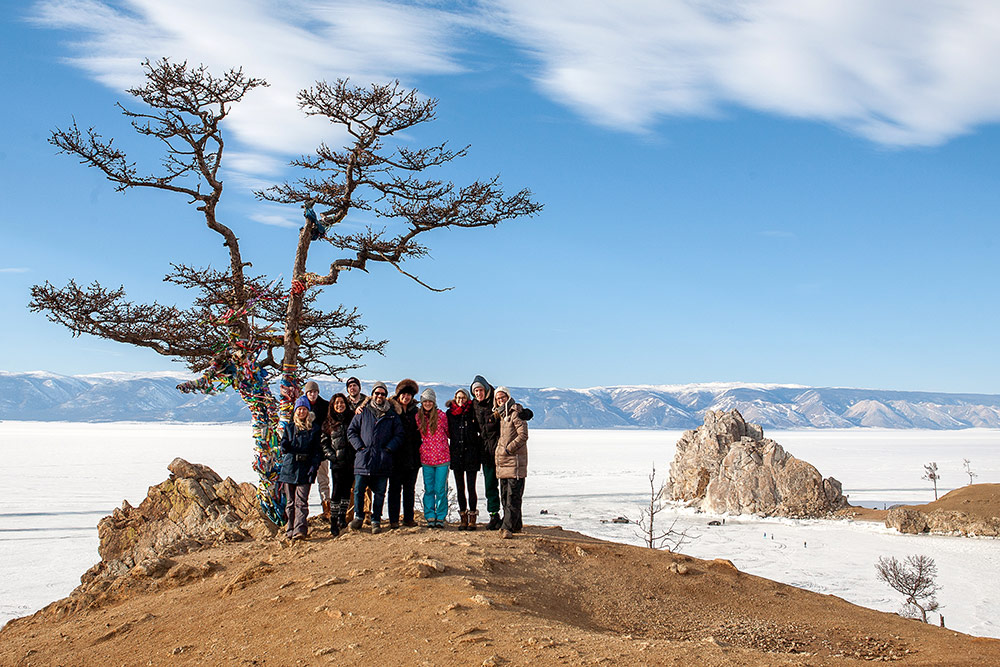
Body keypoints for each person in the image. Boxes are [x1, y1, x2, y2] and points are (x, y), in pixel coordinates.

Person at [470, 375, 533, 530]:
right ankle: (495, 516)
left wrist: (526, 412)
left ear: (486, 389)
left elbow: (513, 411)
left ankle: (510, 522)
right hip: (487, 453)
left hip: (503, 454)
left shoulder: (497, 404)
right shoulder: (474, 406)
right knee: (492, 487)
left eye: (480, 390)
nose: (478, 393)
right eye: (475, 391)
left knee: (510, 491)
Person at [347, 381, 402, 534]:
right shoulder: (363, 412)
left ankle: (375, 519)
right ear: (372, 394)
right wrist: (360, 447)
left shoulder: (391, 415)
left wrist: (388, 449)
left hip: (382, 460)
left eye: (383, 394)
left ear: (386, 396)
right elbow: (351, 431)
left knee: (379, 492)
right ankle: (358, 517)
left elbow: (399, 434)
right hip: (363, 459)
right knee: (358, 490)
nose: (379, 396)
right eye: (377, 393)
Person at [279, 396, 322, 540]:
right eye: (299, 409)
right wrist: (284, 446)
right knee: (290, 502)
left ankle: (300, 529)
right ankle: (290, 528)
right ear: (295, 411)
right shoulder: (290, 428)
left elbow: (317, 450)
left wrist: (314, 467)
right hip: (289, 468)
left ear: (308, 411)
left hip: (305, 468)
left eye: (304, 409)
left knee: (301, 501)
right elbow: (284, 444)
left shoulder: (314, 429)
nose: (301, 412)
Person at [493, 386, 528, 539]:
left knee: (512, 496)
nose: (500, 400)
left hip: (514, 462)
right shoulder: (500, 415)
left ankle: (507, 527)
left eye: (503, 397)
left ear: (508, 397)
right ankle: (517, 524)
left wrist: (508, 449)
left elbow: (523, 435)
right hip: (503, 462)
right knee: (505, 494)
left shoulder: (515, 413)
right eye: (498, 398)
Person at [387, 379, 421, 528]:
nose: (406, 397)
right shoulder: (391, 410)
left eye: (409, 395)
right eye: (403, 394)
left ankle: (408, 518)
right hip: (395, 456)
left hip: (412, 456)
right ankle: (393, 519)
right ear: (399, 395)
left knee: (409, 489)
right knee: (394, 489)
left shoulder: (416, 412)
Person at [446, 388, 482, 530]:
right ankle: (463, 518)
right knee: (460, 488)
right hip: (456, 454)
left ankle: (472, 516)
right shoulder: (450, 414)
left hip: (471, 454)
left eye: (463, 398)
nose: (461, 400)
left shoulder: (472, 412)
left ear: (467, 399)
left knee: (471, 487)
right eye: (458, 397)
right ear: (455, 398)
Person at [319, 392, 354, 536]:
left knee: (347, 490)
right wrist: (331, 456)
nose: (340, 405)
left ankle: (342, 517)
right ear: (333, 406)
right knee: (336, 491)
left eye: (342, 403)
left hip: (351, 461)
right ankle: (333, 520)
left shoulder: (351, 419)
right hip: (337, 462)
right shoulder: (328, 422)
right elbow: (324, 442)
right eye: (337, 403)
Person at [417, 388, 450, 528]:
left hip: (442, 458)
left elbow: (449, 432)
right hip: (426, 459)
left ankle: (441, 516)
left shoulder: (441, 416)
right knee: (429, 489)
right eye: (425, 401)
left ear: (434, 402)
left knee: (440, 489)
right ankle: (430, 515)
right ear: (422, 402)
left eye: (430, 401)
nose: (428, 403)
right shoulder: (418, 417)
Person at [301, 380, 331, 519]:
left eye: (315, 392)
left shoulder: (325, 406)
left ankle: (327, 508)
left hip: (321, 449)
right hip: (305, 450)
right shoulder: (301, 406)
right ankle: (301, 512)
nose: (312, 394)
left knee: (323, 479)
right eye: (310, 392)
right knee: (303, 482)